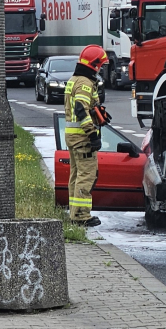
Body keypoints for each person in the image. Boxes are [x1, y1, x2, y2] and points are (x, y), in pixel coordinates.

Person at [64, 45, 109, 227]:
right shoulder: (85, 83)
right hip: (83, 138)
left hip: (72, 136)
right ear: (95, 64)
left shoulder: (74, 79)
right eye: (101, 65)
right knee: (86, 175)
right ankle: (82, 216)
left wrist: (99, 114)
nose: (102, 69)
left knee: (76, 175)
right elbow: (81, 109)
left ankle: (75, 213)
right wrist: (92, 135)